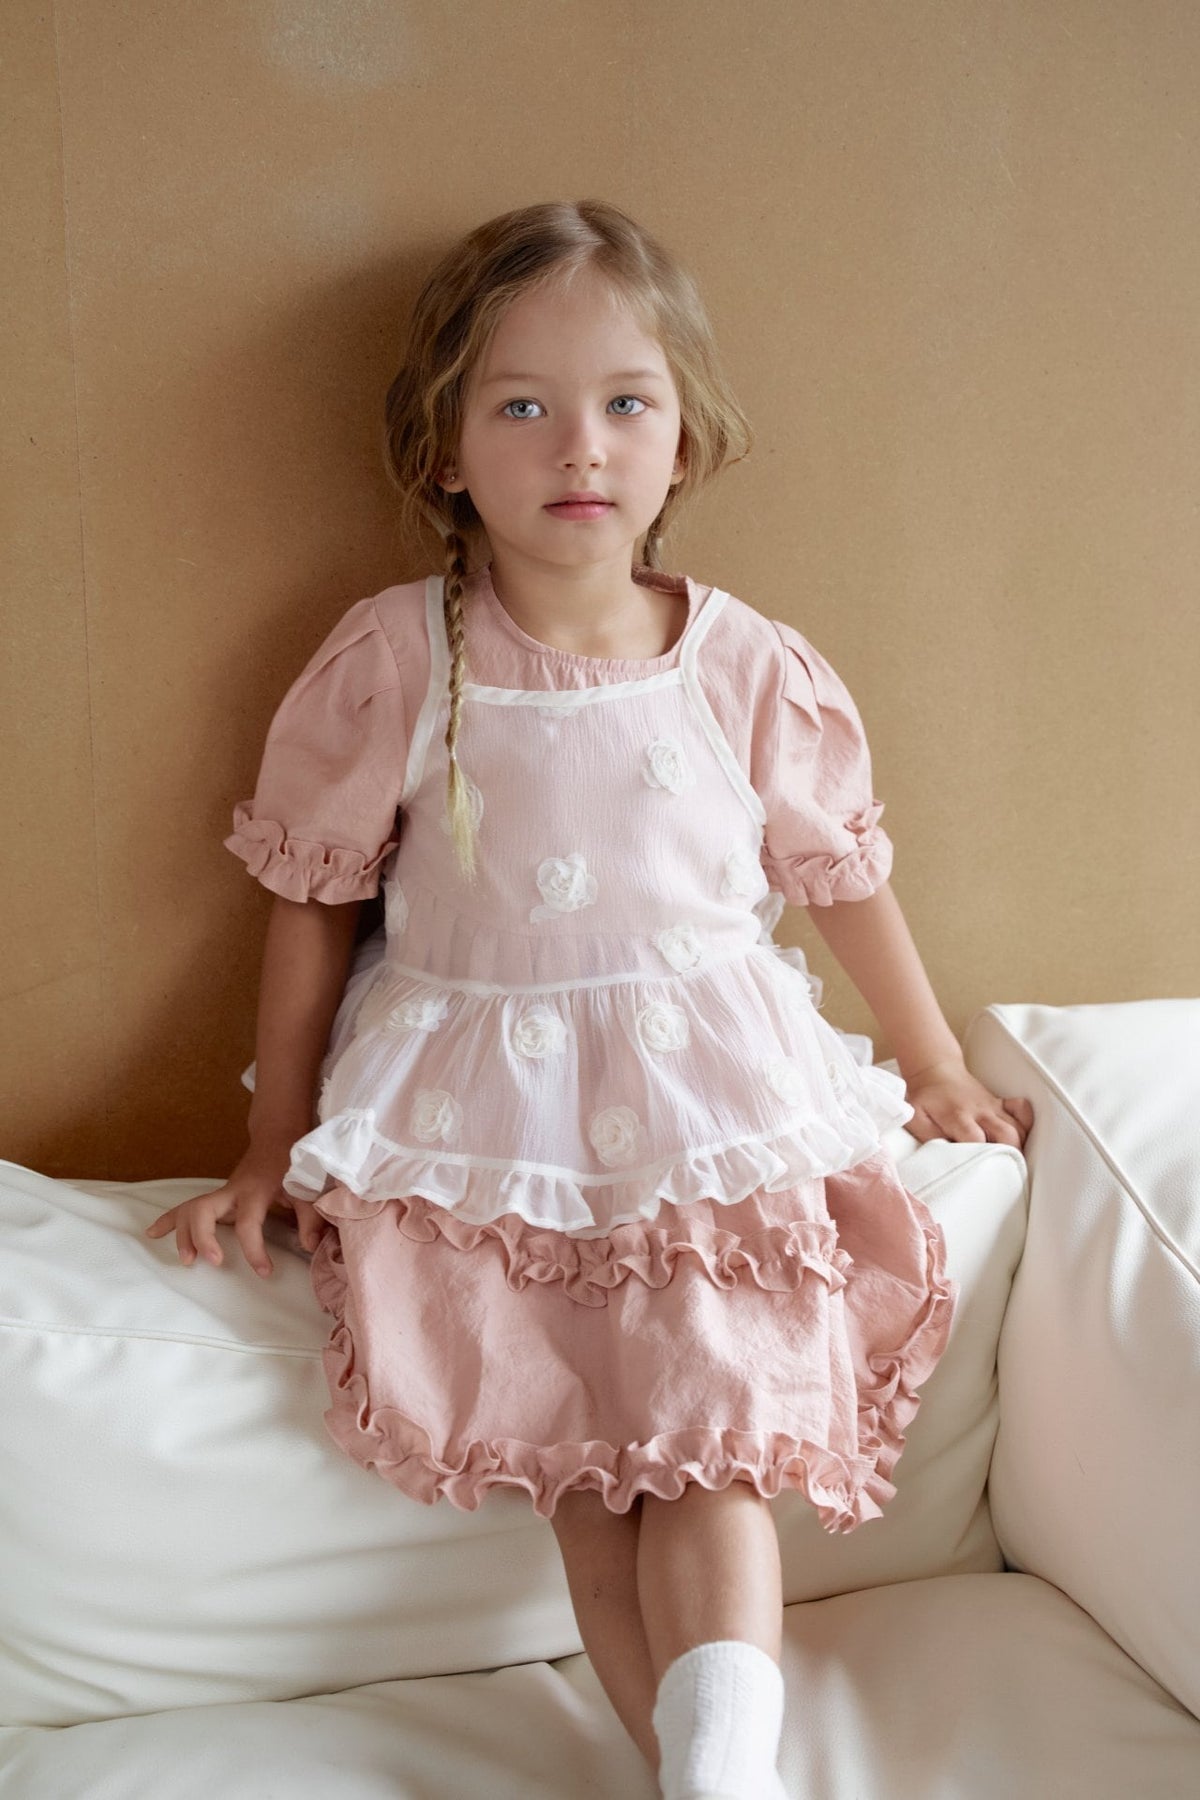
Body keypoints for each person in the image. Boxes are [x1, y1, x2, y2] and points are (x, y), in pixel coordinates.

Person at [144, 200, 1034, 1800]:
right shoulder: (400, 656)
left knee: (715, 1442)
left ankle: (728, 1774)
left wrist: (931, 1062)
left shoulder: (742, 662)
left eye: (628, 402)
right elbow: (314, 902)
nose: (582, 447)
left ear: (683, 438)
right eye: (522, 406)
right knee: (582, 1471)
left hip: (706, 1104)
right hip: (488, 1111)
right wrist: (272, 1143)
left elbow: (838, 874)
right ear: (444, 449)